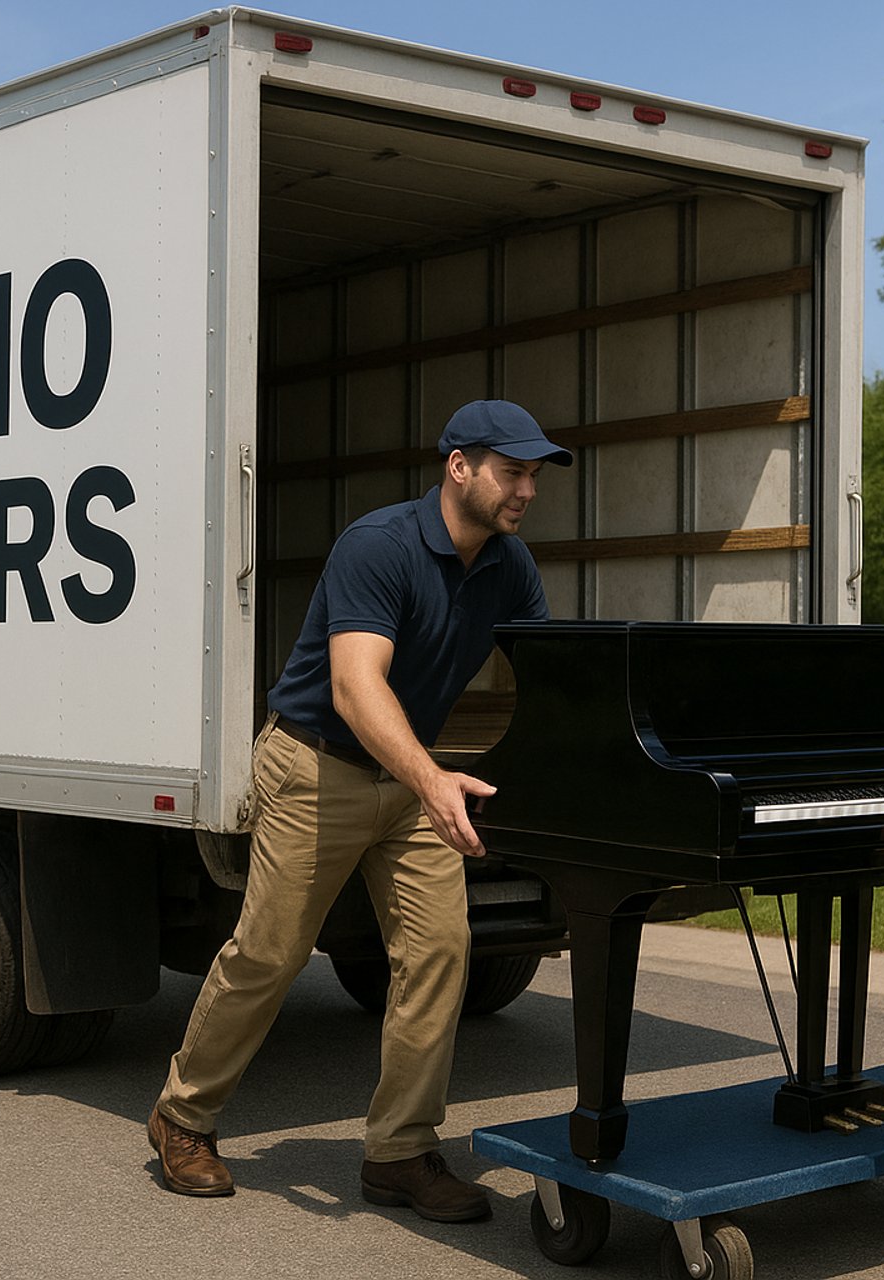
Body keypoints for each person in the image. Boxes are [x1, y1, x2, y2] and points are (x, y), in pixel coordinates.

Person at [146, 399, 570, 1223]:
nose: (526, 489)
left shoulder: (509, 566)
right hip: (317, 765)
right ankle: (182, 1116)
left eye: (533, 475)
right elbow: (355, 685)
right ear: (459, 467)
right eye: (512, 471)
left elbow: (553, 679)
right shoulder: (379, 547)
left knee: (441, 949)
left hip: (409, 780)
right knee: (270, 953)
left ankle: (399, 1153)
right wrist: (434, 778)